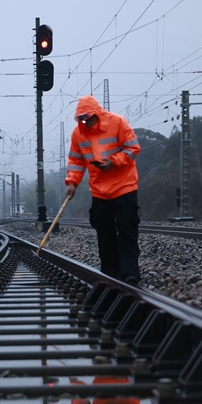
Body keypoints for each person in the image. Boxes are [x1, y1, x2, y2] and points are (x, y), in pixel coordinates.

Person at [64, 94, 142, 285]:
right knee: (104, 231)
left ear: (97, 113)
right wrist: (72, 182)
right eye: (81, 118)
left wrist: (113, 162)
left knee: (127, 229)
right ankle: (109, 271)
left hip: (124, 186)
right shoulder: (78, 133)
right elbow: (76, 160)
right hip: (99, 190)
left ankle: (130, 272)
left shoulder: (117, 122)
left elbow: (133, 148)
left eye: (88, 117)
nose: (85, 121)